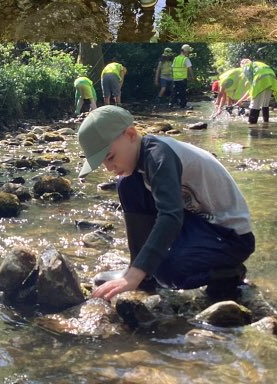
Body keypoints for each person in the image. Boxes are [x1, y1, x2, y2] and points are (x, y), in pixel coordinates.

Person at [79, 106, 255, 300]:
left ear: (130, 134)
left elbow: (171, 216)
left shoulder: (159, 156)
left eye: (110, 157)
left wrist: (136, 274)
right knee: (127, 185)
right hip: (197, 222)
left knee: (166, 270)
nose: (109, 168)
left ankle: (228, 273)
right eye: (102, 163)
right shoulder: (139, 162)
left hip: (230, 237)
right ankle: (143, 276)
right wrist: (137, 269)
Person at [239, 57, 277, 125]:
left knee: (255, 105)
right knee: (265, 104)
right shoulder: (257, 64)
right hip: (271, 79)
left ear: (243, 64)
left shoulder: (246, 66)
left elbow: (252, 84)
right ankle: (266, 122)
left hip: (261, 79)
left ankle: (252, 125)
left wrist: (250, 96)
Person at [171, 44, 193, 109]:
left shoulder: (175, 58)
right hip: (182, 79)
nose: (188, 53)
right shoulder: (185, 59)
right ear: (186, 51)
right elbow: (190, 69)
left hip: (175, 78)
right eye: (188, 52)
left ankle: (171, 104)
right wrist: (192, 77)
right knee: (183, 92)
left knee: (175, 92)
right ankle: (183, 105)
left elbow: (172, 68)